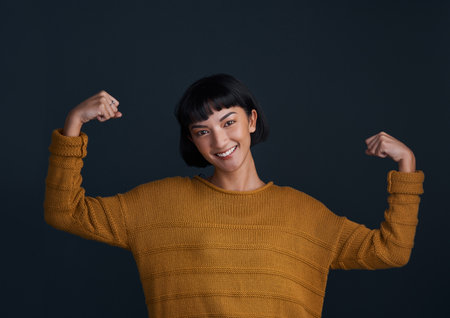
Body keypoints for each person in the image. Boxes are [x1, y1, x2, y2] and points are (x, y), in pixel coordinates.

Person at [44, 73, 425, 318]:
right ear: (192, 140)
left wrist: (406, 164)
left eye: (229, 122)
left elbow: (390, 250)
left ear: (252, 120)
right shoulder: (156, 205)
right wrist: (74, 123)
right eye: (202, 130)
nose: (220, 141)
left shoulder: (306, 215)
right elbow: (65, 212)